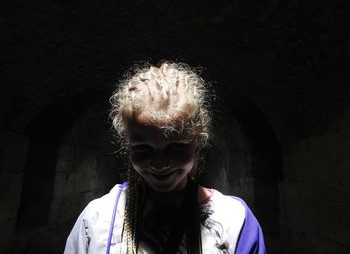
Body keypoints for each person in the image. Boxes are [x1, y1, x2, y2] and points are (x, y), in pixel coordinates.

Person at [64, 62, 266, 254]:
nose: (159, 164)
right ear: (127, 142)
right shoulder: (97, 219)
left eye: (175, 147)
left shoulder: (235, 222)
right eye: (143, 149)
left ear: (198, 136)